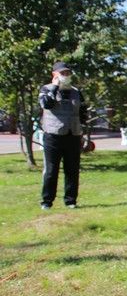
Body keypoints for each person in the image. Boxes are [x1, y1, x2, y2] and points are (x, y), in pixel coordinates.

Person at [38, 61, 87, 210]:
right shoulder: (46, 89)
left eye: (68, 73)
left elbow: (83, 112)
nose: (66, 76)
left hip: (73, 135)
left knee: (72, 170)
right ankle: (47, 201)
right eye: (63, 73)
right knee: (51, 171)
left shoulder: (76, 91)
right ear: (55, 75)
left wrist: (82, 129)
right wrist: (54, 87)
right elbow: (46, 104)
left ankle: (70, 200)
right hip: (53, 136)